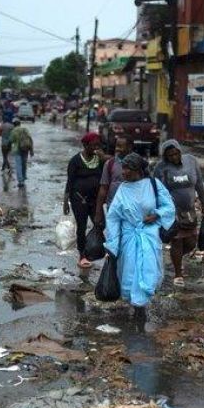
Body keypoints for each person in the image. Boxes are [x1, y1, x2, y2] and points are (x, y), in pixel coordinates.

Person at [104, 153, 175, 309]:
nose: (123, 172)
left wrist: (157, 215)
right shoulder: (123, 189)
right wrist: (112, 244)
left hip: (148, 236)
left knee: (148, 270)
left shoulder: (153, 184)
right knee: (129, 272)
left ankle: (141, 306)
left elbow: (169, 207)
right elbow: (113, 217)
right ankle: (134, 304)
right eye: (123, 168)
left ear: (137, 170)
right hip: (129, 239)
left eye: (127, 168)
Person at [153, 139, 204, 287]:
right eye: (170, 155)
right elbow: (156, 190)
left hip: (190, 211)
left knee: (191, 242)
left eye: (176, 153)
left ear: (180, 151)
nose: (174, 157)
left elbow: (199, 184)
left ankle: (175, 259)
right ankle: (178, 274)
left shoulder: (191, 161)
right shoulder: (161, 168)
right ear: (165, 156)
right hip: (172, 212)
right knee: (177, 241)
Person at [64, 132, 105, 268]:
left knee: (99, 224)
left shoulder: (99, 159)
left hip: (95, 200)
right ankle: (82, 254)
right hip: (78, 199)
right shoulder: (75, 160)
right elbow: (70, 181)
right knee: (81, 227)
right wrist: (65, 201)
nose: (96, 148)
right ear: (85, 145)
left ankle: (94, 249)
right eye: (93, 145)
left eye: (97, 145)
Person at [95, 137, 133, 228]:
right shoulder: (109, 164)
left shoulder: (138, 165)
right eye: (116, 146)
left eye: (120, 146)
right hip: (112, 208)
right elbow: (103, 188)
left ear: (129, 147)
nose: (117, 149)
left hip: (132, 210)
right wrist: (98, 212)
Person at [11, 119, 34, 188]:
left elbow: (11, 140)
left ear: (14, 124)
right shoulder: (25, 129)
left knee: (18, 165)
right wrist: (31, 150)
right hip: (25, 149)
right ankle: (23, 178)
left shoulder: (14, 130)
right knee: (24, 164)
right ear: (20, 124)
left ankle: (20, 181)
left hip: (17, 149)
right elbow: (30, 139)